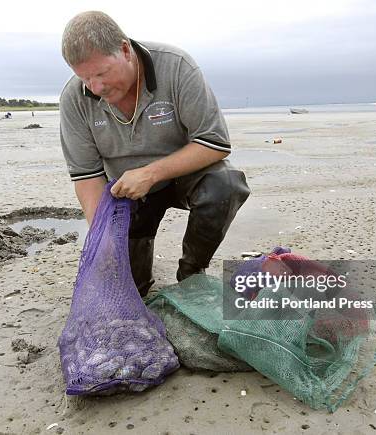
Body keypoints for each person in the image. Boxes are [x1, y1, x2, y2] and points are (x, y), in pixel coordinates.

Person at [60, 11, 250, 296]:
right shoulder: (75, 98)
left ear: (125, 50)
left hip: (184, 176)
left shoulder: (177, 67)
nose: (96, 87)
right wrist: (102, 236)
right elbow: (87, 176)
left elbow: (214, 143)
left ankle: (192, 272)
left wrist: (151, 173)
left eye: (102, 73)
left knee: (225, 185)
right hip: (129, 194)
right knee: (129, 289)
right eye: (85, 77)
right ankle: (137, 264)